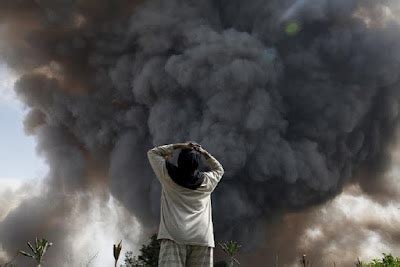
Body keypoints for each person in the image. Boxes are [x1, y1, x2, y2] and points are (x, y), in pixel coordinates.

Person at [147, 142, 224, 267]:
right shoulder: (207, 182)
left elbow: (153, 153)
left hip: (174, 236)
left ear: (180, 161)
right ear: (197, 164)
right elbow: (219, 169)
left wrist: (180, 146)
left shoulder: (167, 175)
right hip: (202, 237)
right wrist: (204, 153)